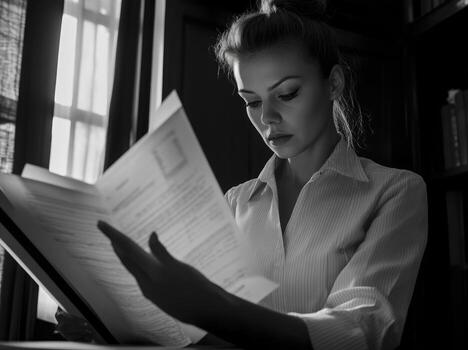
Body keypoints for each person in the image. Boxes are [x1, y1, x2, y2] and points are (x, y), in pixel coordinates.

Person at [56, 0, 428, 349]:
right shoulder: (235, 203)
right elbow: (207, 337)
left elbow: (363, 330)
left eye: (287, 93)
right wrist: (119, 329)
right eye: (251, 101)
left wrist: (214, 310)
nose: (266, 117)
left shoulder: (394, 191)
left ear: (334, 84)